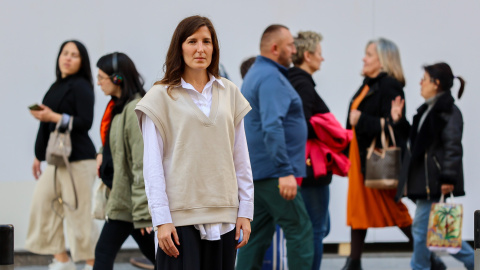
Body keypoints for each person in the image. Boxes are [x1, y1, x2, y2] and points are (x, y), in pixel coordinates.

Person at [135, 15, 253, 270]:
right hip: (179, 218)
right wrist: (161, 219)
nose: (200, 49)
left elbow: (240, 156)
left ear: (214, 48)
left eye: (207, 42)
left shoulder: (230, 92)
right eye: (192, 41)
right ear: (180, 47)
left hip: (224, 215)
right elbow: (152, 165)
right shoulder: (159, 97)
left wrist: (245, 210)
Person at [236, 24, 314, 270]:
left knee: (256, 235)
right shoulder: (271, 77)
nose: (294, 50)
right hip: (273, 174)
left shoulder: (256, 73)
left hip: (258, 173)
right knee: (300, 230)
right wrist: (285, 170)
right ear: (275, 48)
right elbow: (272, 126)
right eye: (290, 45)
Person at [392, 63, 474, 270]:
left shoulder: (448, 112)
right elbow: (417, 144)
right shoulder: (427, 110)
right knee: (443, 235)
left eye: (425, 79)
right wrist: (400, 121)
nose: (420, 83)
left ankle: (419, 267)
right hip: (427, 181)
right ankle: (474, 262)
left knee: (421, 230)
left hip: (436, 182)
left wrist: (448, 178)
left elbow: (453, 147)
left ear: (436, 84)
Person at [342, 38, 413, 270]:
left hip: (376, 162)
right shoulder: (368, 84)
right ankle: (354, 262)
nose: (364, 58)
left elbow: (397, 127)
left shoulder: (390, 86)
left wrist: (361, 120)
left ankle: (429, 256)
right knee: (358, 211)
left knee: (395, 210)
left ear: (383, 60)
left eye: (369, 54)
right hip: (360, 160)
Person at [26, 40, 97, 270]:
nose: (68, 58)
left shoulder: (82, 86)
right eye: (65, 53)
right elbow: (44, 126)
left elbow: (85, 122)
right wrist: (39, 156)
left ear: (82, 61)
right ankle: (62, 260)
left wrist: (54, 117)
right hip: (57, 160)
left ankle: (93, 263)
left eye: (74, 55)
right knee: (43, 204)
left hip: (79, 159)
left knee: (79, 213)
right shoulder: (56, 86)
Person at [288, 30, 348, 270]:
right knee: (316, 228)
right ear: (308, 55)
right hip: (312, 168)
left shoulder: (294, 80)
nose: (322, 59)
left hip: (303, 166)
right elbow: (300, 122)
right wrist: (328, 131)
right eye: (320, 54)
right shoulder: (302, 83)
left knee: (316, 226)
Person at [93, 52, 155, 269]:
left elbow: (141, 164)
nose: (98, 83)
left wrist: (143, 213)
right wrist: (102, 152)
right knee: (159, 257)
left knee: (103, 254)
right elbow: (118, 145)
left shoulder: (134, 109)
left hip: (130, 204)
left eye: (102, 77)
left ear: (117, 79)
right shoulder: (118, 109)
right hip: (125, 200)